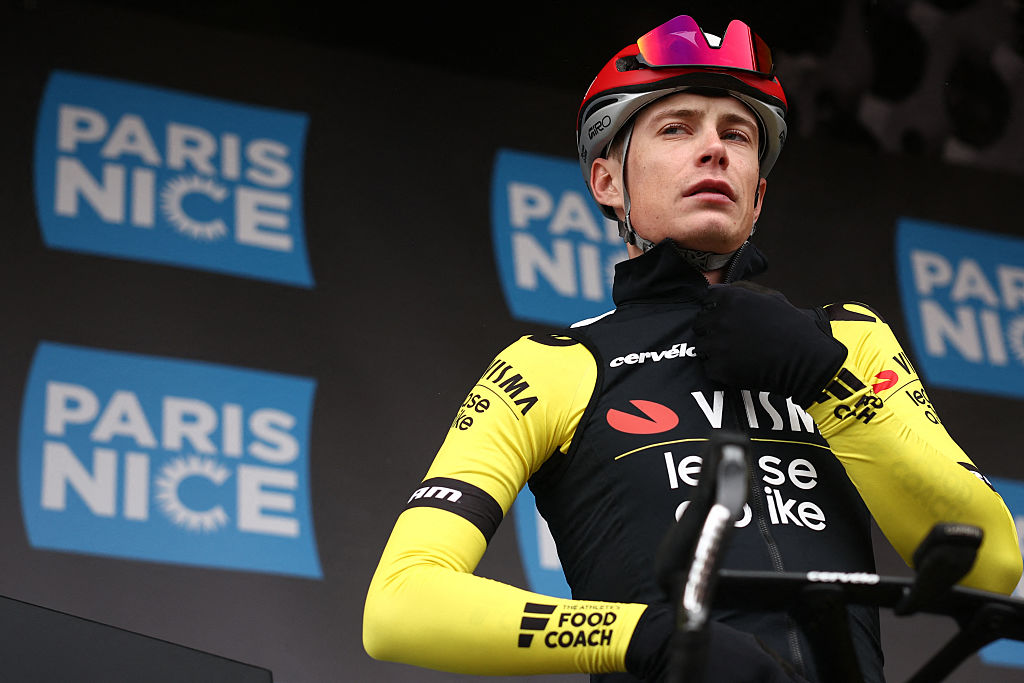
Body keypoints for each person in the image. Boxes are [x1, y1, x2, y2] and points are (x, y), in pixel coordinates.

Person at [363, 13, 1022, 682]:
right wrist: (643, 635)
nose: (715, 150)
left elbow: (991, 560)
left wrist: (827, 383)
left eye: (737, 135)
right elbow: (400, 604)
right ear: (606, 182)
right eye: (676, 128)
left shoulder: (848, 339)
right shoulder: (551, 365)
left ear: (757, 196)